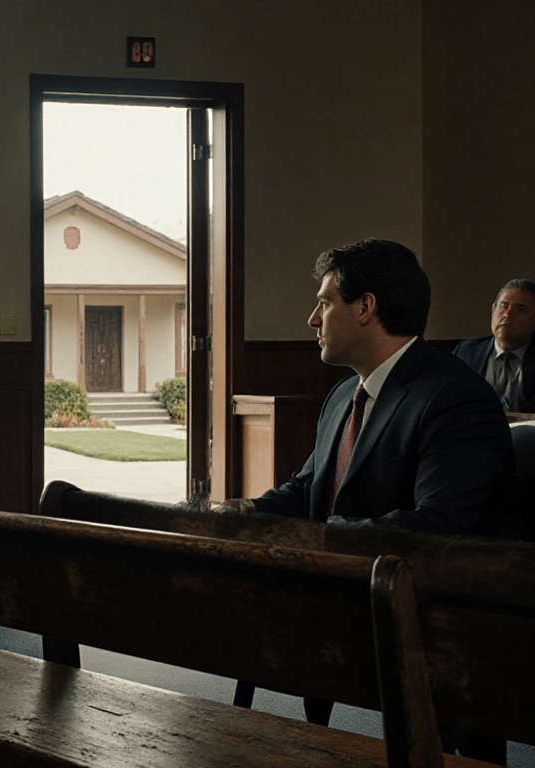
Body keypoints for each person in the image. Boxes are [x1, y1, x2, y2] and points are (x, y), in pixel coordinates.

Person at [216, 239, 516, 762]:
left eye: (325, 302)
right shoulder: (342, 395)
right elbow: (308, 491)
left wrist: (326, 540)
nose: (312, 318)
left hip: (441, 621)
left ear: (365, 307)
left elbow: (438, 527)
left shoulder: (455, 397)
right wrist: (242, 515)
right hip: (351, 594)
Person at [453, 278, 535, 414]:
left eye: (520, 309)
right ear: (493, 310)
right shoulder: (467, 351)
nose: (507, 314)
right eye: (503, 306)